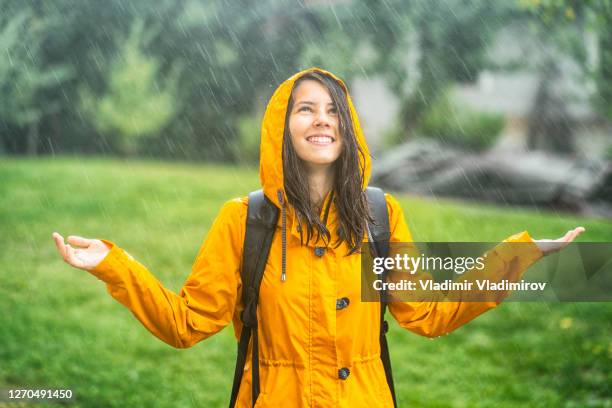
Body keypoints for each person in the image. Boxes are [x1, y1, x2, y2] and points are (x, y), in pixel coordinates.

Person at [52, 67, 585, 407]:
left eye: (333, 110)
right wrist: (112, 265)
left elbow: (426, 313)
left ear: (348, 129)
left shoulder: (380, 215)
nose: (321, 119)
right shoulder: (244, 220)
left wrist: (519, 257)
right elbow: (187, 324)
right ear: (281, 127)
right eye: (305, 108)